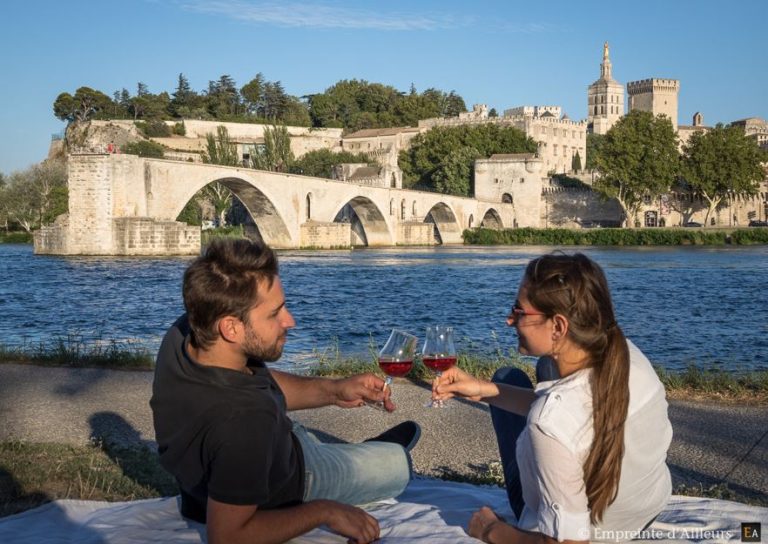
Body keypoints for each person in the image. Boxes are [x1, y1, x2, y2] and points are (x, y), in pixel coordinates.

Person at [150, 238, 420, 544]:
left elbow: (255, 385)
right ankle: (374, 454)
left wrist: (334, 390)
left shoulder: (187, 331)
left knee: (294, 434)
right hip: (298, 479)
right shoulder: (244, 422)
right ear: (231, 328)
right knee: (398, 468)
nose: (289, 320)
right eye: (274, 313)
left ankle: (344, 449)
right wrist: (324, 512)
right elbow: (227, 537)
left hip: (241, 464)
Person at [432, 253, 672, 543]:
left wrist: (490, 530)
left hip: (595, 532)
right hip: (642, 514)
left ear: (558, 326)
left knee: (515, 379)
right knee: (512, 378)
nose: (509, 321)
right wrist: (483, 390)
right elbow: (575, 415)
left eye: (519, 311)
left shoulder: (548, 424)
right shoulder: (625, 353)